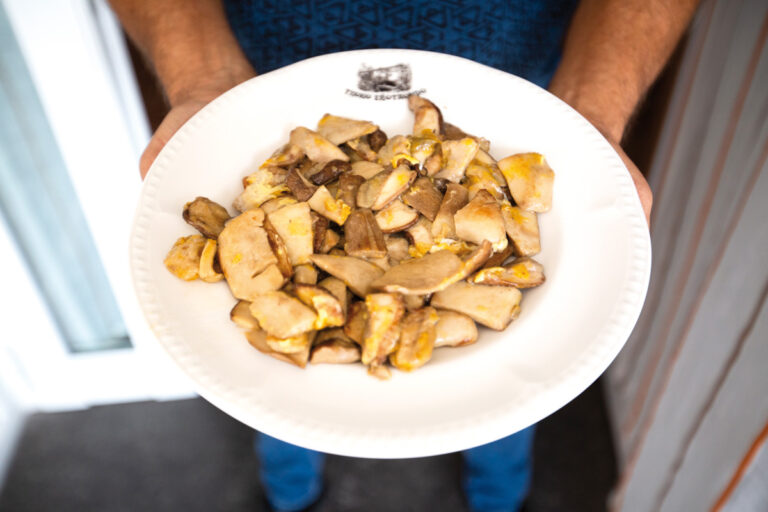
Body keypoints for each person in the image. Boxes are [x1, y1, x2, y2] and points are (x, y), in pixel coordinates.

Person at [110, 1, 698, 510]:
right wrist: (205, 78)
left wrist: (590, 111)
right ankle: (291, 492)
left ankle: (497, 495)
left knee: (509, 395)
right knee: (276, 389)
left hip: (529, 87)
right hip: (252, 83)